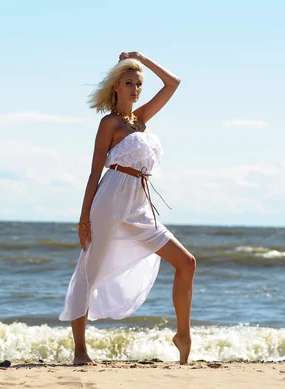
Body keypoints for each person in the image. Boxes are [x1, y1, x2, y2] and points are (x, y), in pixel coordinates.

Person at [59, 52, 196, 365]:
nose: (135, 89)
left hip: (139, 204)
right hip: (110, 198)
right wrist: (83, 220)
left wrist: (139, 58)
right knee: (87, 274)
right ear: (116, 87)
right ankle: (80, 351)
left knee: (186, 263)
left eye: (139, 84)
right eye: (129, 83)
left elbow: (173, 83)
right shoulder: (109, 123)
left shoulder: (141, 119)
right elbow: (95, 172)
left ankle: (183, 334)